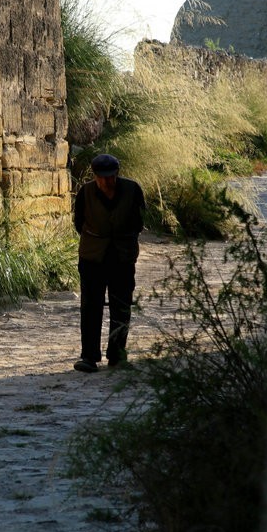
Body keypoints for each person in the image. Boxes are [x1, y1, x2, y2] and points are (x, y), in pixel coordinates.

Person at [72, 153, 146, 373]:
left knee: (121, 307)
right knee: (91, 306)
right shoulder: (85, 193)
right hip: (92, 257)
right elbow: (79, 223)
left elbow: (139, 222)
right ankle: (89, 356)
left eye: (111, 177)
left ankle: (117, 355)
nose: (107, 182)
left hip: (122, 257)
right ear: (95, 176)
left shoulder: (133, 190)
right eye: (102, 177)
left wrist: (122, 238)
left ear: (117, 174)